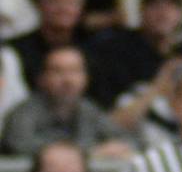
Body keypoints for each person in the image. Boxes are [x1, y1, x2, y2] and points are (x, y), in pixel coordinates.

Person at [0, 45, 131, 159]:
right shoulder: (23, 112)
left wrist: (119, 148)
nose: (68, 80)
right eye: (58, 71)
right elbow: (20, 144)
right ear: (42, 78)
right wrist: (89, 152)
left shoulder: (88, 109)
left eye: (75, 71)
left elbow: (127, 139)